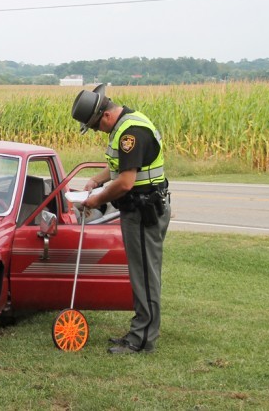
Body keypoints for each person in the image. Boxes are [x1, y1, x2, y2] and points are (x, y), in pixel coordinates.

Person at [71, 84, 171, 354]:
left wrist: (96, 200)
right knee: (141, 274)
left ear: (105, 115)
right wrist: (96, 179)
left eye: (94, 126)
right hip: (139, 209)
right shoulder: (128, 124)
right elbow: (120, 166)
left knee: (145, 276)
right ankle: (139, 331)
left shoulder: (131, 133)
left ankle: (141, 341)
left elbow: (126, 182)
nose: (96, 131)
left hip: (143, 211)